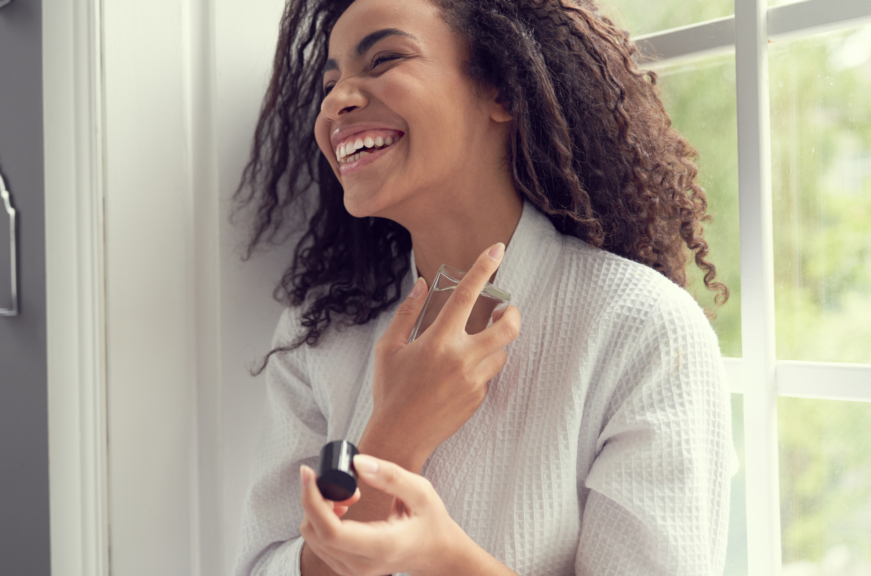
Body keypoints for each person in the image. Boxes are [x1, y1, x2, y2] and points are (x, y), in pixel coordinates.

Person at [232, 0, 736, 574]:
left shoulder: (641, 328)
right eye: (330, 83)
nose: (336, 101)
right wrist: (394, 437)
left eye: (384, 59)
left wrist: (440, 556)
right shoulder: (318, 335)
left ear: (502, 90)